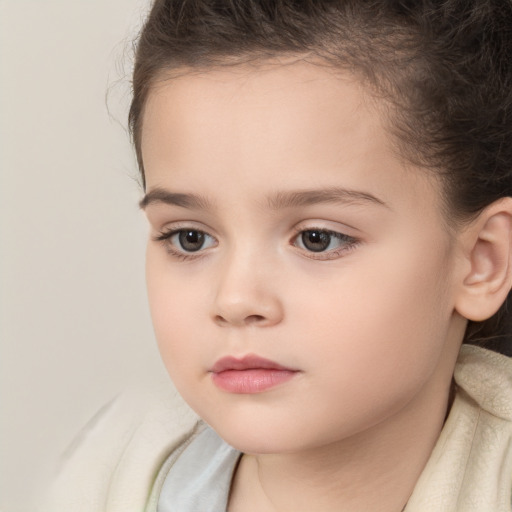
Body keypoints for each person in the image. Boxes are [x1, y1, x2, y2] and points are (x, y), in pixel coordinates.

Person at [42, 1, 512, 511]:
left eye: (318, 239)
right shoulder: (108, 469)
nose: (236, 299)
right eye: (190, 238)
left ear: (482, 262)